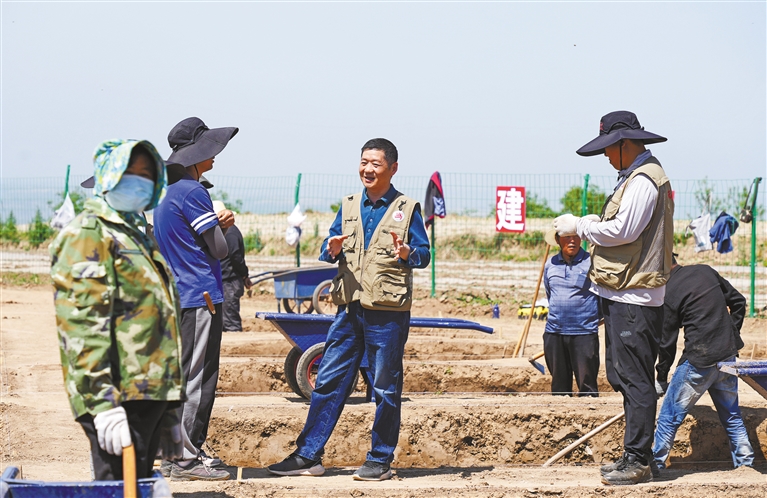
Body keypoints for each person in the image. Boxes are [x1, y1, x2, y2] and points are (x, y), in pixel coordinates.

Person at [267, 138, 431, 481]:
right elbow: (330, 249)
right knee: (328, 381)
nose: (367, 169)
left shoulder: (407, 208)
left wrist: (407, 254)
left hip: (387, 312)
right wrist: (331, 249)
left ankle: (379, 460)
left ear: (392, 169)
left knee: (385, 388)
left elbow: (424, 255)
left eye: (375, 164)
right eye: (363, 162)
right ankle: (308, 455)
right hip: (348, 309)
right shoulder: (349, 205)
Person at [50, 140, 185, 480]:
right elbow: (83, 325)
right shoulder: (89, 234)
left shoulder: (134, 236)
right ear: (108, 176)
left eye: (146, 174)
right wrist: (102, 404)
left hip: (147, 392)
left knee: (136, 486)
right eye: (129, 173)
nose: (138, 181)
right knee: (116, 487)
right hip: (118, 395)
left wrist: (169, 409)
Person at [554, 110, 674, 485]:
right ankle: (635, 454)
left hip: (635, 296)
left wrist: (582, 224)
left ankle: (638, 459)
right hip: (625, 293)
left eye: (608, 149)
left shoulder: (644, 180)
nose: (606, 156)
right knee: (623, 375)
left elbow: (624, 230)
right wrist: (593, 222)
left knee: (635, 379)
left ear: (624, 144)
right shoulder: (635, 177)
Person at [153, 117, 238, 481]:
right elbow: (219, 250)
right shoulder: (193, 192)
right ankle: (186, 458)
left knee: (185, 374)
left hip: (180, 294)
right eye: (209, 149)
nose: (214, 155)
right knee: (199, 379)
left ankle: (176, 455)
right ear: (196, 154)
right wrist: (223, 226)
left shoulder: (166, 193)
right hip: (202, 295)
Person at [653, 255, 754, 470]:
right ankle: (745, 464)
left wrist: (661, 377)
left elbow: (667, 343)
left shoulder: (668, 292)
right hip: (727, 358)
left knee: (669, 416)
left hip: (699, 362)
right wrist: (731, 335)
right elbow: (739, 301)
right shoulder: (705, 271)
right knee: (732, 416)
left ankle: (656, 463)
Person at [542, 225, 601, 397]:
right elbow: (550, 294)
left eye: (576, 236)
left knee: (588, 388)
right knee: (559, 389)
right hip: (554, 332)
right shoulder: (550, 264)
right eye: (567, 237)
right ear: (558, 240)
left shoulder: (592, 263)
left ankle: (589, 411)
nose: (572, 241)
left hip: (584, 333)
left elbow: (603, 295)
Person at [212, 200, 252, 332]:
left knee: (230, 319)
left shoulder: (229, 233)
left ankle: (236, 338)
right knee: (226, 315)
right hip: (227, 279)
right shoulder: (226, 232)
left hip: (230, 280)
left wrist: (244, 275)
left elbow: (236, 257)